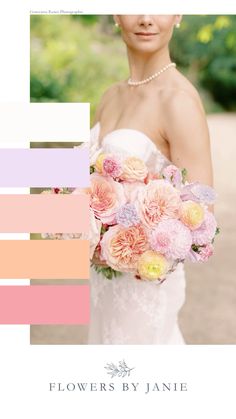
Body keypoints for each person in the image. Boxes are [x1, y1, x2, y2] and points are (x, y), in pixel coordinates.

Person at [87, 15, 214, 344]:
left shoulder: (179, 101)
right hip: (104, 280)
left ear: (178, 15)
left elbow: (201, 221)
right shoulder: (110, 96)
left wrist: (135, 242)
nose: (145, 19)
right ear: (116, 15)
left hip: (145, 285)